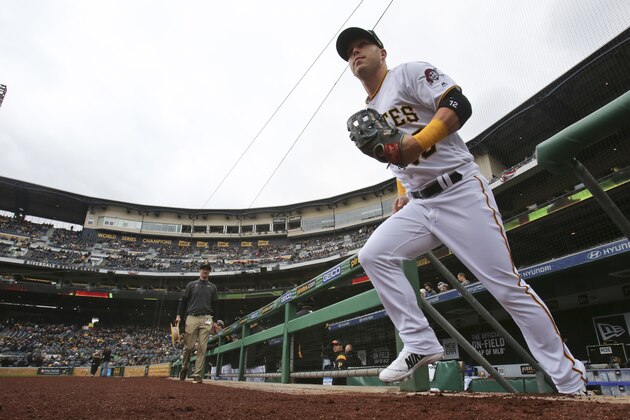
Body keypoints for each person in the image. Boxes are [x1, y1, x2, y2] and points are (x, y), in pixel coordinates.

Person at [336, 27, 587, 394]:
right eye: (349, 52)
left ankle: (570, 380)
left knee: (506, 286)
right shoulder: (371, 112)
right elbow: (399, 162)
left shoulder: (407, 73)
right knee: (374, 255)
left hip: (460, 191)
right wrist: (404, 191)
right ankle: (420, 342)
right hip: (422, 203)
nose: (355, 53)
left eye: (362, 46)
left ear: (382, 51)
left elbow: (458, 104)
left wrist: (419, 141)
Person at [175, 262, 221, 384]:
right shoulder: (191, 285)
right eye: (203, 269)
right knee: (189, 347)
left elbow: (216, 305)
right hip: (191, 317)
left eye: (207, 269)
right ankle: (184, 366)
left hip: (206, 318)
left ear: (209, 272)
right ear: (199, 271)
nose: (205, 271)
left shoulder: (213, 287)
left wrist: (215, 321)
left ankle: (197, 374)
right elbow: (183, 301)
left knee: (202, 347)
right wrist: (179, 315)